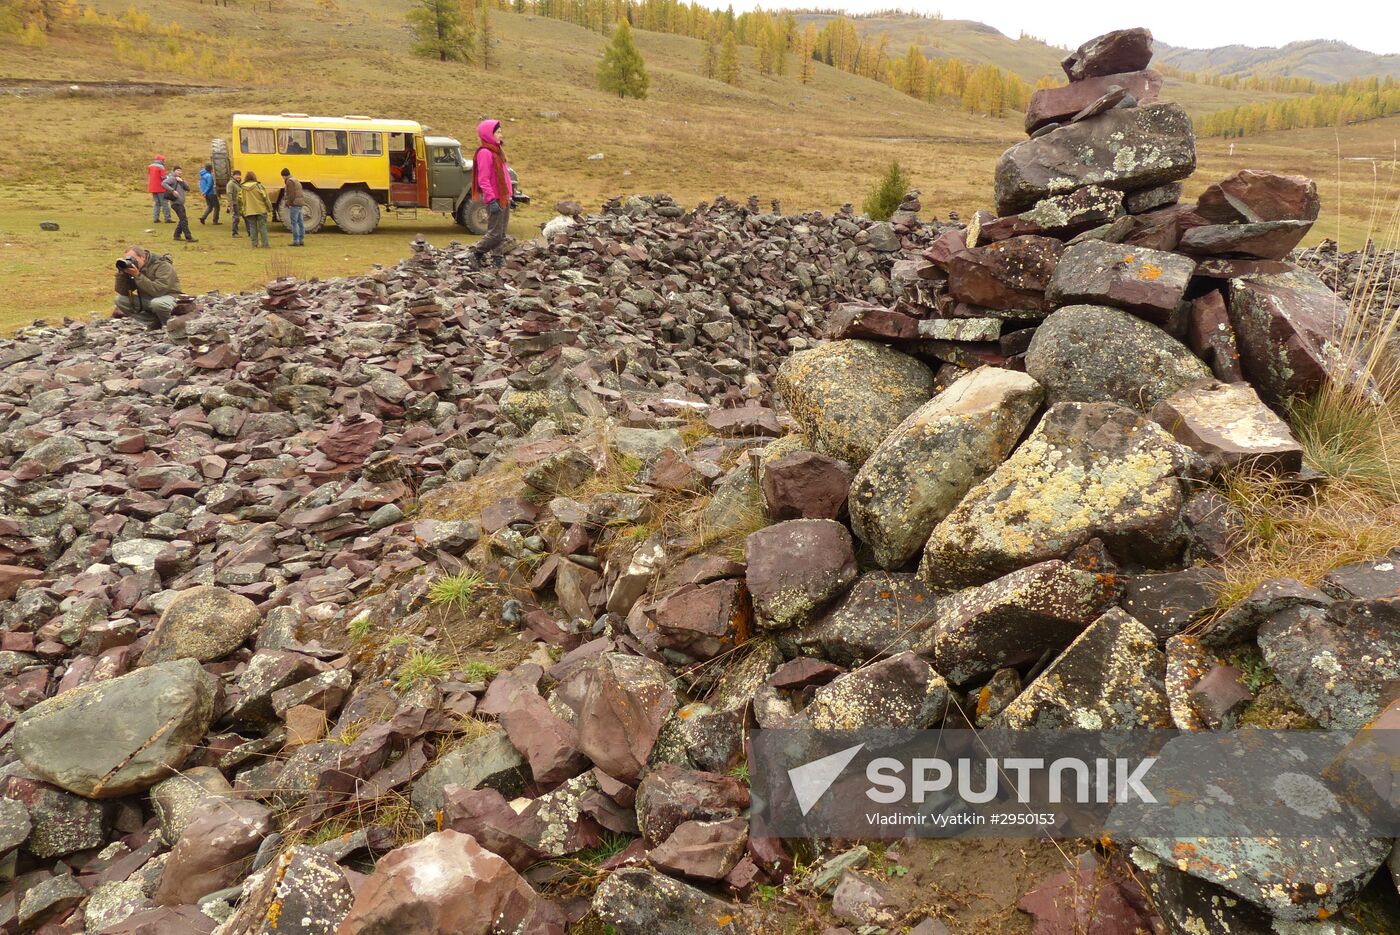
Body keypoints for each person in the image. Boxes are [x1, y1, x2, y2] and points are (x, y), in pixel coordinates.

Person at [467, 119, 513, 270]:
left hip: (504, 197)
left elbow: (505, 176)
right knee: (495, 233)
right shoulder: (485, 153)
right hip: (495, 198)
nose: (501, 135)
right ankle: (476, 253)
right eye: (498, 132)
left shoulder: (497, 151)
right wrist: (491, 199)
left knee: (502, 232)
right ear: (489, 134)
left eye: (500, 132)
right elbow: (483, 179)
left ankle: (497, 258)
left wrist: (510, 195)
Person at [113, 245, 181, 328]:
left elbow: (158, 291)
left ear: (143, 257)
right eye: (127, 259)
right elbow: (123, 291)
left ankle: (170, 326)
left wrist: (137, 275)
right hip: (147, 299)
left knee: (157, 303)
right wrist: (122, 273)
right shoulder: (135, 268)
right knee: (120, 300)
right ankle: (154, 322)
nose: (130, 262)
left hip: (169, 297)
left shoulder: (162, 265)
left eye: (132, 259)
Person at [163, 166, 197, 243]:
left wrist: (181, 181)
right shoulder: (172, 178)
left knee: (183, 220)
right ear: (174, 171)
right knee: (184, 220)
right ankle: (189, 237)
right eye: (178, 170)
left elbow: (188, 188)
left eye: (181, 171)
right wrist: (172, 191)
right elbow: (164, 183)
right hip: (176, 203)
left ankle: (177, 235)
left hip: (180, 203)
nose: (180, 172)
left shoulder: (180, 179)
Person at [239, 171, 272, 248]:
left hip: (249, 211)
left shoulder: (242, 188)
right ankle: (265, 244)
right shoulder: (259, 186)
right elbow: (265, 197)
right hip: (261, 209)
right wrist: (269, 208)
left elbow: (240, 198)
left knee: (252, 227)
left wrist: (243, 209)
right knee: (262, 227)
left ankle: (254, 244)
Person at [280, 167, 306, 247]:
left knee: (294, 223)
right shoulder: (295, 179)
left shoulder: (289, 182)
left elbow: (291, 194)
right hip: (300, 203)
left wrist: (289, 203)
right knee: (300, 222)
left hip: (294, 204)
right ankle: (301, 240)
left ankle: (295, 241)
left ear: (284, 176)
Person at [147, 154, 172, 223]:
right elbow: (163, 178)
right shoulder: (161, 167)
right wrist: (169, 177)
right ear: (161, 160)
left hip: (152, 187)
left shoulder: (150, 166)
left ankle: (155, 218)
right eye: (163, 160)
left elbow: (149, 175)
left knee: (157, 203)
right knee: (165, 203)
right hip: (160, 187)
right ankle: (167, 218)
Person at [226, 169, 243, 237]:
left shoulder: (238, 183)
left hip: (239, 203)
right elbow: (229, 194)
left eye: (239, 175)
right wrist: (231, 204)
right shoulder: (231, 184)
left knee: (244, 218)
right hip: (235, 203)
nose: (238, 176)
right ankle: (234, 233)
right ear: (233, 176)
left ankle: (249, 232)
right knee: (236, 218)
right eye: (236, 175)